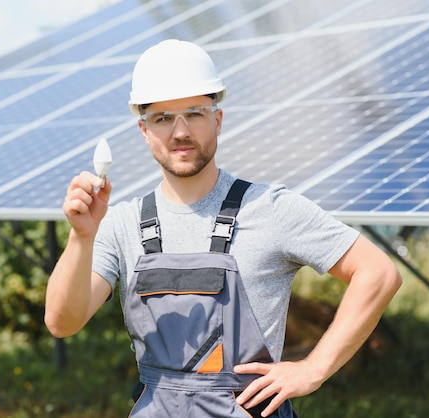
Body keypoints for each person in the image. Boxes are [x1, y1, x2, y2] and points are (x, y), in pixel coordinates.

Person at [45, 39, 402, 417]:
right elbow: (62, 322)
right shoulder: (120, 223)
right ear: (144, 130)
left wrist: (313, 370)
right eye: (163, 118)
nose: (180, 132)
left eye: (194, 113)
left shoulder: (270, 208)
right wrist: (82, 236)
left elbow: (378, 273)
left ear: (217, 119)